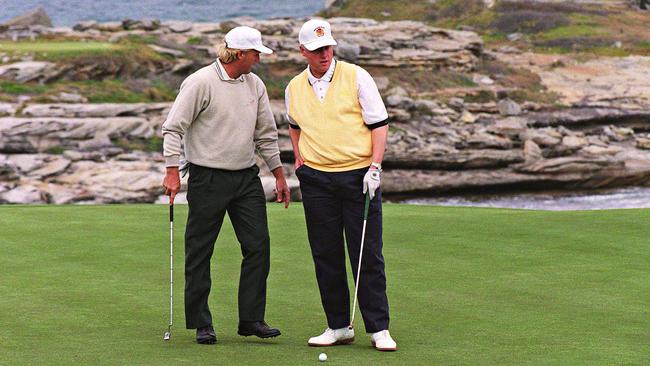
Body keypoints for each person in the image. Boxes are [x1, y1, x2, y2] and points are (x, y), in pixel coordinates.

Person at [162, 26, 290, 345]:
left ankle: (251, 319)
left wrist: (278, 173)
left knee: (258, 245)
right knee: (200, 251)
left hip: (246, 177)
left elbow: (265, 134)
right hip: (207, 177)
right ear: (239, 54)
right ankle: (202, 322)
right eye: (256, 53)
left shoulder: (254, 84)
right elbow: (173, 128)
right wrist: (172, 171)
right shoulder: (200, 82)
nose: (259, 58)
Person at [285, 19, 396, 351]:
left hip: (358, 177)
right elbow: (294, 124)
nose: (325, 54)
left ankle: (379, 328)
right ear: (303, 51)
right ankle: (338, 326)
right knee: (325, 254)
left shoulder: (357, 76)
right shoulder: (293, 87)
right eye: (317, 49)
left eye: (329, 47)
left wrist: (375, 166)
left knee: (366, 253)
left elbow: (379, 124)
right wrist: (299, 158)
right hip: (317, 180)